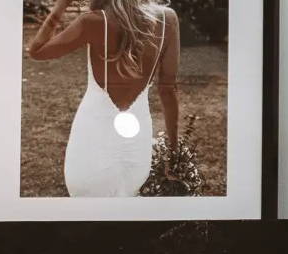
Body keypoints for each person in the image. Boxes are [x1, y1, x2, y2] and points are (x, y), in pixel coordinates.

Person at [26, 0, 180, 200]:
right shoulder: (167, 19)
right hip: (136, 144)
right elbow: (168, 91)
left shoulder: (92, 22)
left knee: (87, 215)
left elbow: (36, 51)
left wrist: (62, 5)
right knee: (126, 211)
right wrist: (173, 152)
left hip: (91, 139)